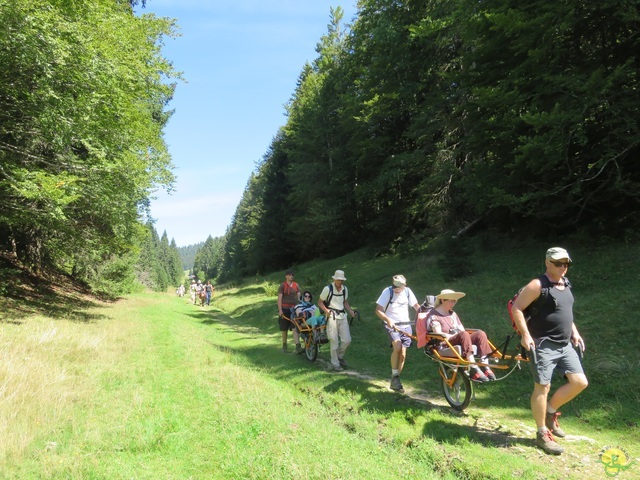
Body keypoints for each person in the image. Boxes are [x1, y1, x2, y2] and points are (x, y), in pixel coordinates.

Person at [511, 247, 588, 456]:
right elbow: (517, 308)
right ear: (547, 263)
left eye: (566, 264)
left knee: (580, 382)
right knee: (542, 387)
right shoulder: (537, 285)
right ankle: (542, 432)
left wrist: (575, 332)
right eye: (558, 263)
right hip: (543, 344)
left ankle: (550, 412)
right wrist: (526, 336)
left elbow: (565, 313)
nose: (563, 267)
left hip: (565, 344)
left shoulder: (565, 283)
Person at [427, 289, 497, 382]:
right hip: (444, 343)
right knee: (463, 334)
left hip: (457, 338)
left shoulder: (452, 313)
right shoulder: (434, 315)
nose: (453, 303)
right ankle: (472, 366)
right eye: (451, 300)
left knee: (480, 333)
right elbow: (439, 334)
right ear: (442, 300)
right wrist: (458, 335)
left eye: (455, 301)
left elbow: (462, 329)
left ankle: (485, 366)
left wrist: (461, 335)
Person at [375, 275, 421, 393]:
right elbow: (378, 310)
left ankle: (395, 378)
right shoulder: (387, 292)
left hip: (406, 326)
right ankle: (395, 377)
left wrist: (423, 317)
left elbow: (416, 306)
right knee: (397, 346)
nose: (396, 289)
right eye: (395, 286)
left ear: (404, 286)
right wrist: (388, 320)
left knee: (403, 354)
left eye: (399, 287)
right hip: (392, 325)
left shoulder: (408, 292)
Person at [318, 270, 357, 371]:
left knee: (347, 340)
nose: (340, 282)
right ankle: (335, 363)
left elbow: (345, 302)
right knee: (334, 340)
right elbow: (320, 302)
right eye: (339, 280)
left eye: (342, 280)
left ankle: (339, 357)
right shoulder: (328, 289)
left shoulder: (344, 289)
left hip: (343, 316)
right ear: (334, 279)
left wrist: (351, 311)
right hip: (332, 316)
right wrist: (327, 311)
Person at [277, 269, 302, 353]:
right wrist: (280, 310)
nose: (292, 276)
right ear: (286, 276)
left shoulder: (296, 285)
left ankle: (298, 346)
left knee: (295, 327)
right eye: (290, 275)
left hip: (294, 310)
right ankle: (284, 345)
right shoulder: (282, 286)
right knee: (284, 329)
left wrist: (300, 305)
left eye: (293, 275)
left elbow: (299, 297)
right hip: (284, 309)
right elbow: (279, 298)